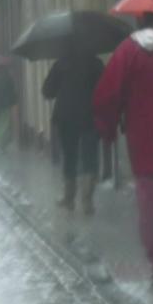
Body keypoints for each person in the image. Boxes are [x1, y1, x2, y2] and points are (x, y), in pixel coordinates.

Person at [93, 12, 153, 285]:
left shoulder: (127, 51)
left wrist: (108, 130)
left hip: (142, 137)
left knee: (148, 202)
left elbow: (107, 96)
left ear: (141, 21)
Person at [43, 50, 104, 215]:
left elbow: (47, 91)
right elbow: (105, 89)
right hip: (90, 115)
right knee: (90, 156)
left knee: (70, 155)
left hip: (66, 116)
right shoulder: (96, 63)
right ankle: (87, 201)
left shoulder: (61, 63)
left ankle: (69, 198)